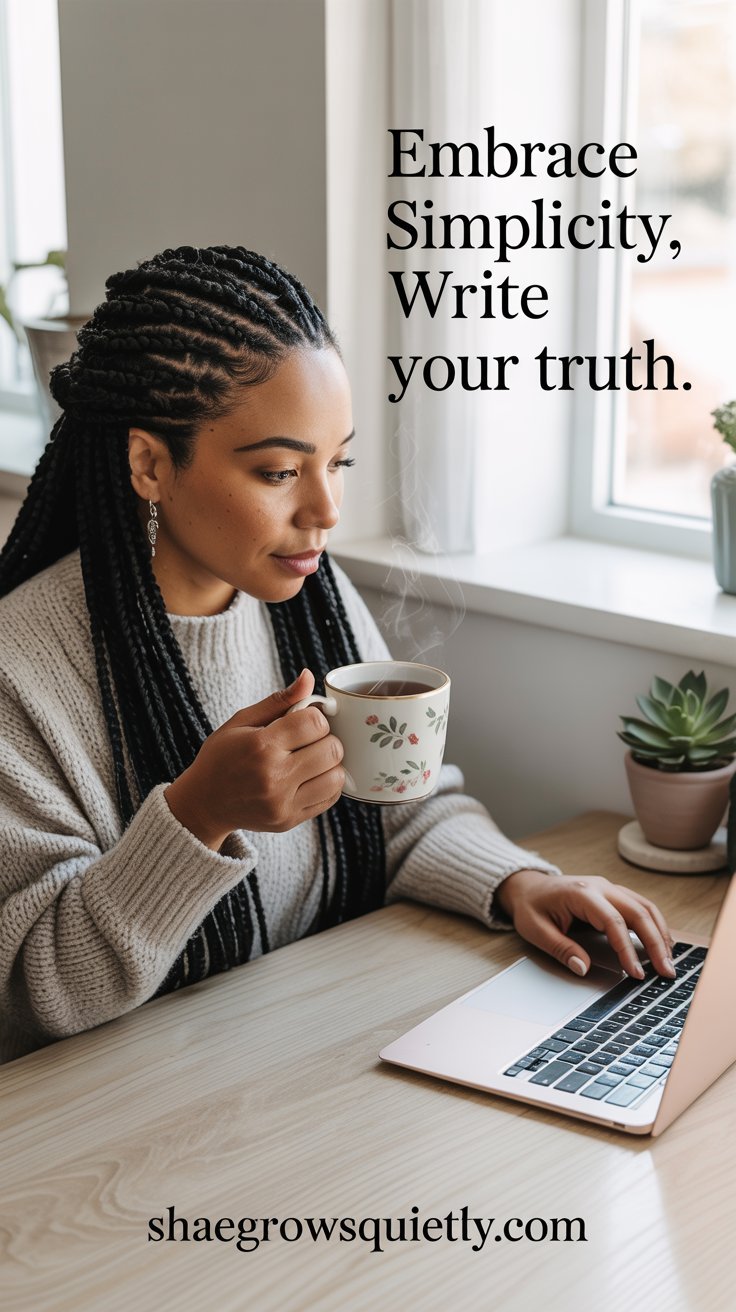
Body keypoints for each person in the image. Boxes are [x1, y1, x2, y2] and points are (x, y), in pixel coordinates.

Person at [0, 245, 675, 1063]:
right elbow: (34, 992)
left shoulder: (310, 597)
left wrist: (520, 882)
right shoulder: (21, 669)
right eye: (280, 470)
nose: (325, 508)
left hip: (305, 1054)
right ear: (149, 463)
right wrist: (197, 817)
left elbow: (398, 806)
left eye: (338, 461)